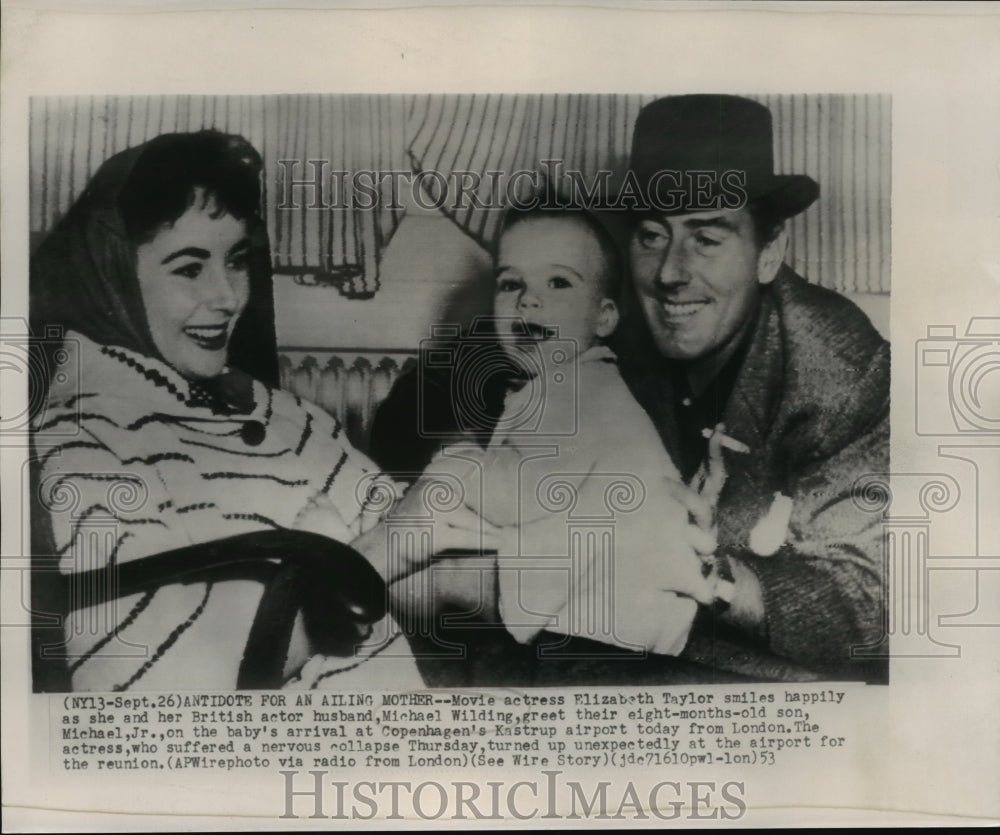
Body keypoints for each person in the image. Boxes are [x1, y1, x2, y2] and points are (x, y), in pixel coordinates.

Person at [30, 130, 494, 692]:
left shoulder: (287, 417)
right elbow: (159, 697)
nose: (228, 297)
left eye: (237, 261)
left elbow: (418, 558)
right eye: (188, 268)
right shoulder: (81, 446)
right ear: (111, 277)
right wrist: (377, 554)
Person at [610, 94, 890, 681]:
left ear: (769, 253)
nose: (669, 273)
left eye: (706, 238)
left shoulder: (838, 366)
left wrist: (706, 573)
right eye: (651, 236)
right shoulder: (607, 321)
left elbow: (870, 608)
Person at [393, 204, 711, 659]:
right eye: (510, 283)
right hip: (609, 594)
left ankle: (348, 572)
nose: (528, 299)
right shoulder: (565, 383)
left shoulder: (583, 393)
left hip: (617, 617)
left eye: (557, 282)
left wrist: (456, 457)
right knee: (430, 547)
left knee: (412, 579)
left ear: (604, 318)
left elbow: (517, 495)